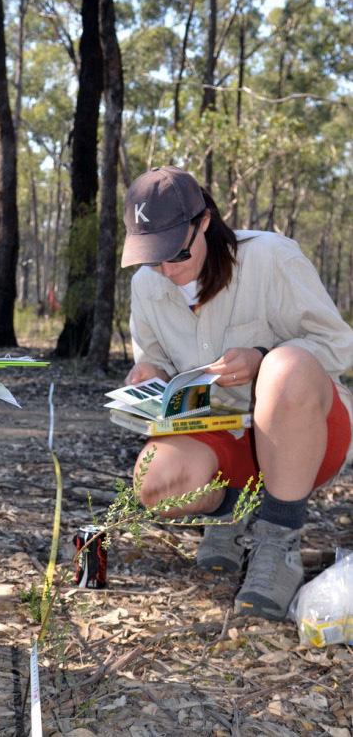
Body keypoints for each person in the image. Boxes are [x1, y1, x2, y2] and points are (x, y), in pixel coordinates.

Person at [121, 165, 352, 621]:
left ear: (203, 222)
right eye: (153, 258)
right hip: (220, 434)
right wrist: (148, 372)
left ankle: (277, 540)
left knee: (285, 368)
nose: (166, 271)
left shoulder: (271, 258)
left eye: (177, 254)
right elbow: (158, 364)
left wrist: (264, 358)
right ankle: (231, 516)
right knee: (154, 485)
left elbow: (338, 347)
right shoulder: (147, 286)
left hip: (304, 433)